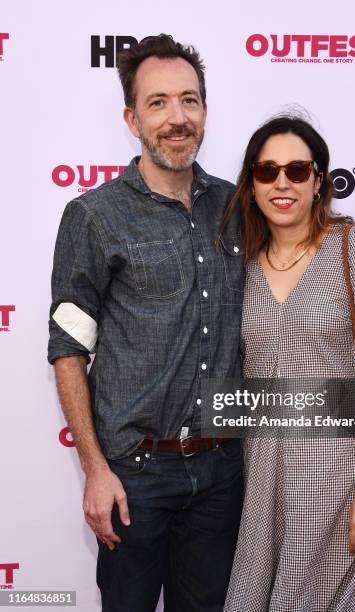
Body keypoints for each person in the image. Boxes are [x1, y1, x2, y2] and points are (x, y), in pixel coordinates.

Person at [47, 34, 244, 612]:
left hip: (222, 472)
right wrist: (94, 469)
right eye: (158, 103)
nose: (177, 118)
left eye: (189, 100)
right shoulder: (93, 215)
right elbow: (67, 350)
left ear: (205, 110)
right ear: (132, 118)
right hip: (134, 479)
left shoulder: (237, 210)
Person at [222, 114, 355, 611]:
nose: (282, 183)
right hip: (258, 479)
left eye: (297, 169)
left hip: (338, 475)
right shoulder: (241, 262)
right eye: (266, 171)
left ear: (320, 181)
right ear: (251, 185)